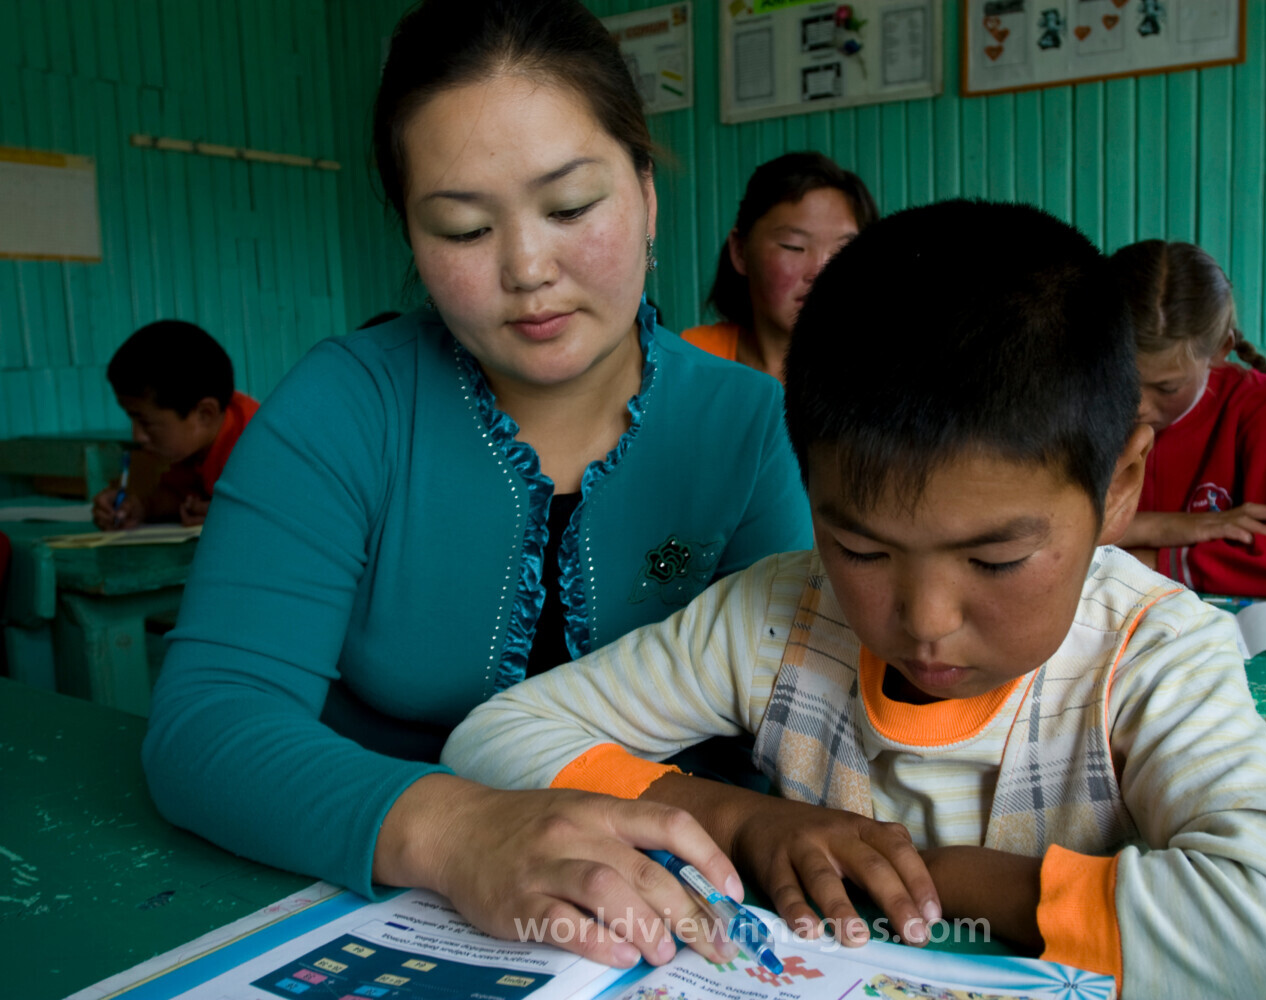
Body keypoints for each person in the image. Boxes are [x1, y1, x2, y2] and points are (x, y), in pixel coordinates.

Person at [443, 201, 1266, 1000]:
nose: (923, 620)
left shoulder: (1155, 654)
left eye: (996, 559)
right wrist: (742, 820)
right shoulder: (774, 618)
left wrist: (950, 881)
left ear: (1120, 485)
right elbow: (492, 739)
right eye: (862, 547)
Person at [142, 0, 812, 969]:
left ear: (648, 192)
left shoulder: (749, 428)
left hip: (669, 936)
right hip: (364, 916)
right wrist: (459, 832)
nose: (527, 269)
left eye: (574, 207)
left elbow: (792, 735)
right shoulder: (347, 405)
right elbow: (207, 720)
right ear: (408, 235)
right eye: (461, 226)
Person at [1110, 240, 1266, 600]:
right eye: (1121, 380)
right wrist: (1178, 527)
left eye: (1167, 387)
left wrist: (1156, 561)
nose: (1139, 406)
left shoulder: (1263, 409)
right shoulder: (1070, 399)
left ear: (1220, 351)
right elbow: (1041, 531)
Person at [681, 152, 876, 382]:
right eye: (794, 247)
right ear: (740, 252)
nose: (822, 272)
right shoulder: (694, 359)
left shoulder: (886, 372)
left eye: (844, 250)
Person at [90, 320, 259, 530]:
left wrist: (234, 519)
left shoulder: (259, 447)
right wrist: (138, 508)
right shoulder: (199, 444)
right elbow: (178, 493)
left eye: (145, 422)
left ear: (204, 415)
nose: (137, 436)